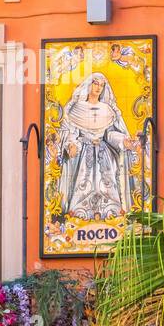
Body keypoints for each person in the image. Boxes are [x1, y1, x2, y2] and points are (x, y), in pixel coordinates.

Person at [56, 72, 139, 221]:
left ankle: (110, 214)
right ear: (88, 84)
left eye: (102, 85)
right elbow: (71, 133)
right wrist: (71, 145)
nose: (98, 87)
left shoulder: (107, 109)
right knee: (82, 184)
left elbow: (110, 134)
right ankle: (80, 216)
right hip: (83, 153)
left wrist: (123, 141)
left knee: (107, 183)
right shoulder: (77, 108)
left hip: (104, 154)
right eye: (95, 83)